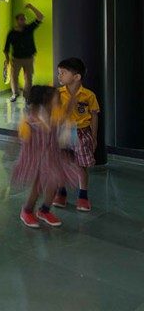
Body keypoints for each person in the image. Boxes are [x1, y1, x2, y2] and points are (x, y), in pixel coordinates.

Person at [12, 85, 81, 228]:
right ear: (46, 102)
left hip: (53, 157)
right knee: (38, 186)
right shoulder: (32, 120)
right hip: (38, 159)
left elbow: (66, 114)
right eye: (57, 100)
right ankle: (27, 210)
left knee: (54, 183)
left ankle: (44, 210)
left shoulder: (55, 116)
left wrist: (73, 98)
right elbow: (21, 137)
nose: (60, 102)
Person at [53, 58, 100, 212]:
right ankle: (61, 192)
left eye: (63, 73)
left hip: (82, 132)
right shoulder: (58, 93)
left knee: (81, 166)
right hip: (64, 132)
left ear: (77, 77)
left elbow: (94, 116)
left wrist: (94, 137)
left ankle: (83, 196)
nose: (59, 76)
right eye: (59, 73)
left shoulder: (89, 95)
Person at [4, 3, 44, 102]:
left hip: (29, 58)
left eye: (25, 19)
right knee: (13, 77)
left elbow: (40, 17)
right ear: (17, 20)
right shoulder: (12, 33)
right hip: (16, 59)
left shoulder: (29, 29)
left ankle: (27, 96)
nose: (23, 21)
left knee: (28, 78)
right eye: (21, 19)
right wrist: (7, 59)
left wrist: (31, 7)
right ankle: (15, 93)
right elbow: (6, 47)